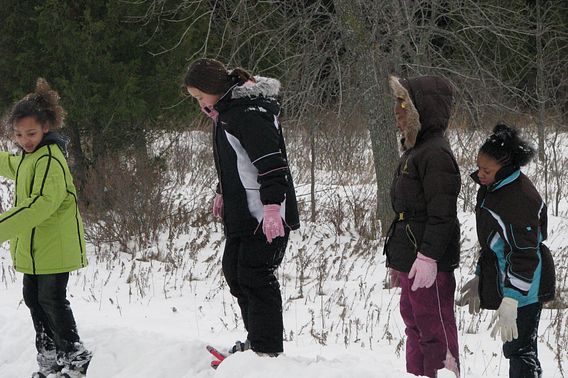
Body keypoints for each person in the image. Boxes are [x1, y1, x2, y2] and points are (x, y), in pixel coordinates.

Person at [183, 58, 300, 356]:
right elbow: (238, 162)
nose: (199, 104)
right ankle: (256, 341)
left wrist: (273, 208)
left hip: (263, 215)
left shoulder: (247, 114)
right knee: (235, 272)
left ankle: (267, 350)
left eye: (199, 96)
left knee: (255, 276)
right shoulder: (227, 113)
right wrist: (223, 191)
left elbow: (272, 165)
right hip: (242, 211)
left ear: (213, 88)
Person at [0, 78, 92, 378]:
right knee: (33, 298)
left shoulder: (51, 159)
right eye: (19, 135)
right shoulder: (31, 157)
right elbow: (13, 166)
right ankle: (49, 355)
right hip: (37, 250)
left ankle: (74, 356)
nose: (25, 140)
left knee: (52, 300)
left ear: (46, 128)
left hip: (55, 246)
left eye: (31, 133)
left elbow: (40, 204)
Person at [458, 123, 555, 378]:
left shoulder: (518, 199)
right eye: (478, 167)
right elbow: (495, 243)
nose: (480, 174)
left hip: (526, 287)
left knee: (521, 351)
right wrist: (482, 274)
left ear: (505, 167)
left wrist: (512, 298)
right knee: (515, 349)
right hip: (510, 279)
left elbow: (525, 254)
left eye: (486, 170)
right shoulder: (496, 189)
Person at [384, 75, 461, 378]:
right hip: (411, 258)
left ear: (420, 110)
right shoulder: (415, 151)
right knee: (414, 323)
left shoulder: (436, 153)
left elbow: (443, 213)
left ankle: (442, 373)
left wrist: (429, 256)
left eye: (403, 104)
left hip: (430, 261)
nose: (397, 111)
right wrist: (399, 260)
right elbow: (407, 212)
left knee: (434, 328)